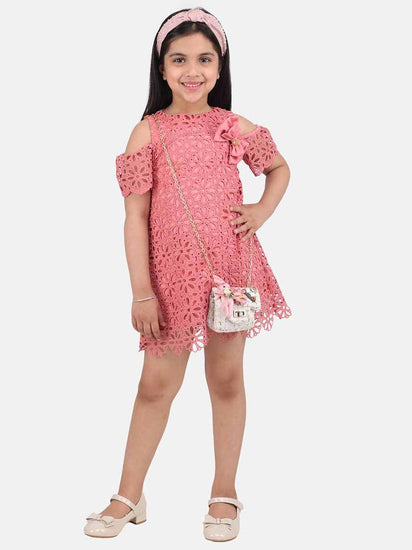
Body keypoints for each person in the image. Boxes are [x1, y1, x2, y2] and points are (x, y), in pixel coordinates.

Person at [84, 6, 292, 542]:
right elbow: (135, 216)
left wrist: (261, 211)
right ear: (162, 68)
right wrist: (141, 291)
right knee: (155, 384)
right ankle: (129, 494)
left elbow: (278, 167)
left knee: (226, 379)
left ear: (220, 68)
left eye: (204, 59)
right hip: (169, 280)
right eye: (179, 60)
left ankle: (224, 491)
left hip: (231, 274)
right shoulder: (147, 133)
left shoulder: (232, 126)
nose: (192, 71)